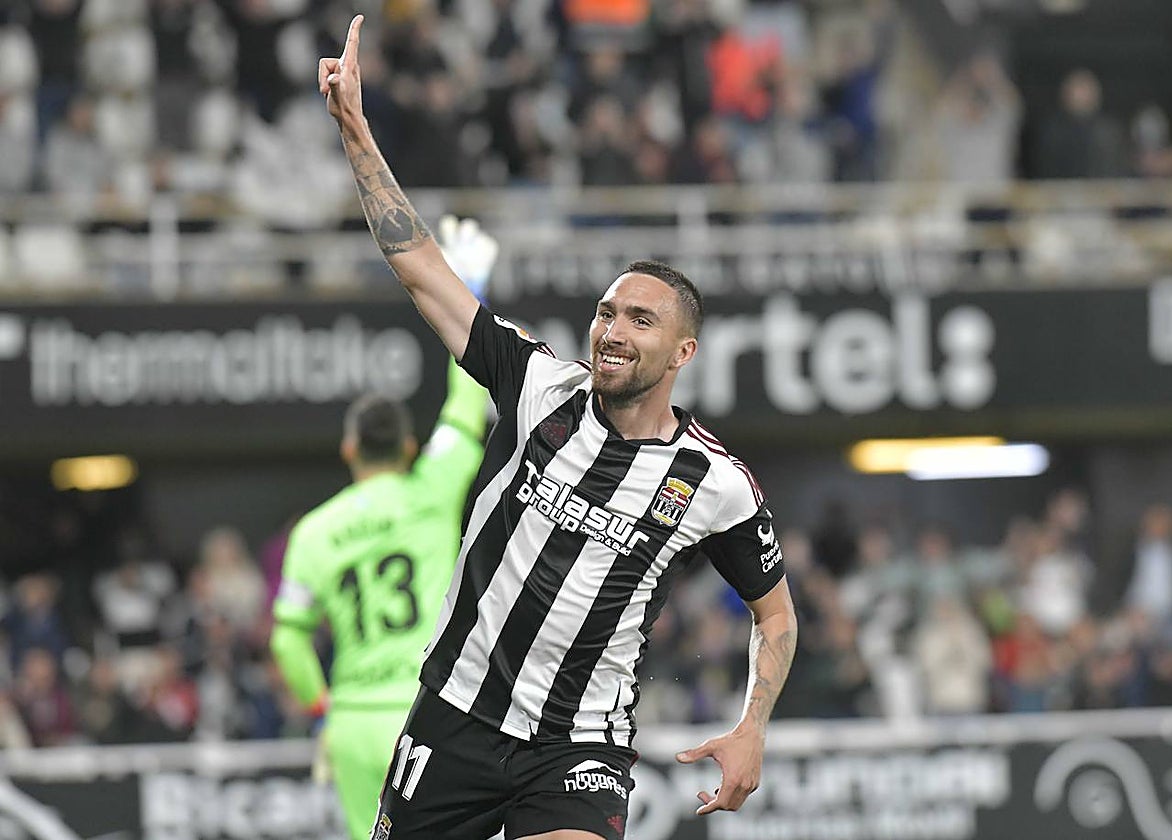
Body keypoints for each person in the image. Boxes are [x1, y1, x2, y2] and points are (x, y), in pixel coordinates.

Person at [320, 16, 797, 840]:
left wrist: (753, 726)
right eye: (607, 312)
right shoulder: (539, 383)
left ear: (683, 351)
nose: (612, 329)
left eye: (640, 320)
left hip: (578, 745)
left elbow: (778, 616)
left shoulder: (714, 482)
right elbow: (422, 269)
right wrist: (357, 131)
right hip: (456, 714)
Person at [270, 221, 493, 840]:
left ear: (348, 450)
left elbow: (288, 643)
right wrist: (469, 289)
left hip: (353, 721)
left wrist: (322, 711)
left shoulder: (314, 532)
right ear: (409, 446)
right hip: (426, 710)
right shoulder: (431, 490)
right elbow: (468, 404)